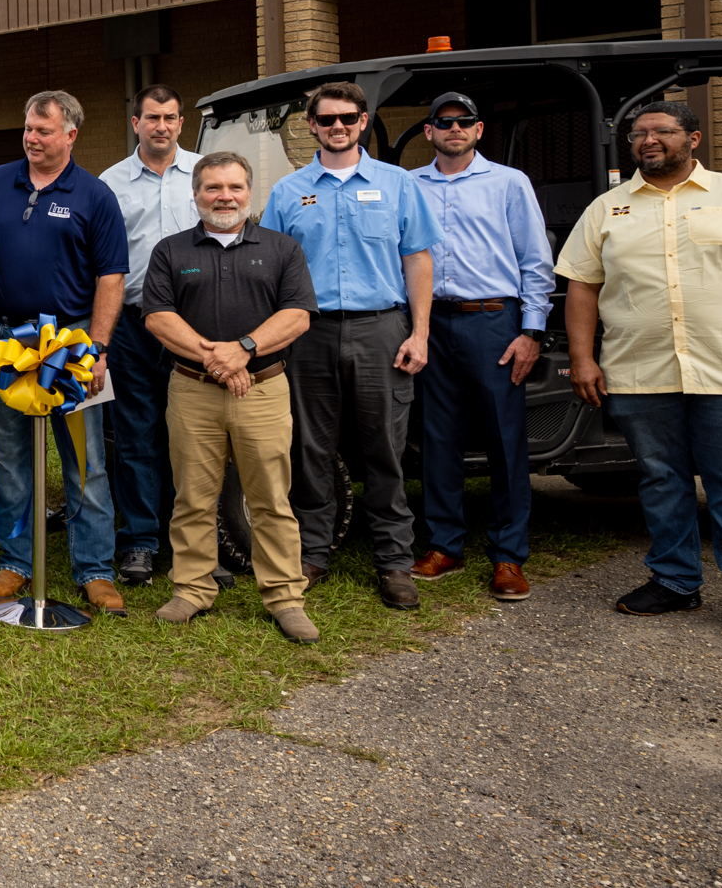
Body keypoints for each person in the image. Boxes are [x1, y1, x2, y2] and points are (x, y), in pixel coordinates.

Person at [259, 80, 439, 611]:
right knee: (312, 446)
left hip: (381, 329)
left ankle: (394, 561)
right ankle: (314, 552)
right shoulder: (289, 192)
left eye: (348, 118)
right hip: (308, 334)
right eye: (327, 119)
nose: (337, 126)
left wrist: (420, 333)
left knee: (385, 445)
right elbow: (273, 269)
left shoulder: (398, 184)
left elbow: (418, 260)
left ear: (363, 122)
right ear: (311, 126)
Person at [141, 152, 320, 643]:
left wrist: (244, 350)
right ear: (195, 195)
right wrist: (218, 362)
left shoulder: (282, 249)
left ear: (249, 192)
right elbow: (157, 317)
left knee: (270, 499)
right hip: (193, 392)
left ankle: (285, 597)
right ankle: (192, 589)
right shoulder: (170, 251)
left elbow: (299, 315)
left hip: (262, 390)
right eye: (213, 188)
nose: (225, 197)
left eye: (235, 187)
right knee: (192, 498)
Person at [556, 100, 722, 616]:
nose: (647, 140)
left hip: (719, 366)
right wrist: (583, 359)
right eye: (638, 133)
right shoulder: (607, 207)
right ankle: (675, 582)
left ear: (692, 139)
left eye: (661, 132)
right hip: (639, 370)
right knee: (660, 478)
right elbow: (583, 286)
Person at [0, 90, 129, 617]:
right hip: (8, 343)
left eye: (44, 131)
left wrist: (98, 347)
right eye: (28, 129)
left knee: (86, 462)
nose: (32, 139)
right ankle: (15, 563)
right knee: (10, 458)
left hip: (72, 346)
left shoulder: (95, 195)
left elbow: (111, 277)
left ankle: (96, 570)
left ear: (71, 135)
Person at [409, 92, 554, 601]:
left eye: (463, 121)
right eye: (443, 121)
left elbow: (535, 259)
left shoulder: (509, 183)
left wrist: (530, 331)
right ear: (428, 131)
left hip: (493, 322)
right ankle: (444, 545)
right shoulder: (409, 185)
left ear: (478, 129)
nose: (454, 128)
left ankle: (509, 555)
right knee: (437, 439)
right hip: (430, 323)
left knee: (503, 440)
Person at [97, 85, 201, 588]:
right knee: (136, 435)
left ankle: (195, 546)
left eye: (171, 117)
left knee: (195, 437)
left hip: (197, 327)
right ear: (134, 122)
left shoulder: (206, 175)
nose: (162, 126)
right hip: (132, 328)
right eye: (152, 117)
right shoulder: (109, 184)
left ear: (183, 123)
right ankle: (139, 542)